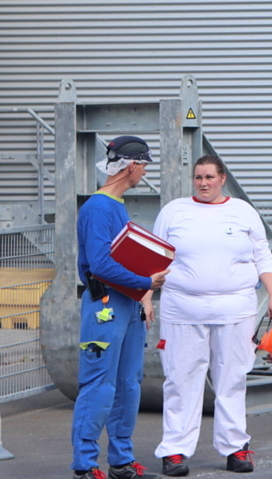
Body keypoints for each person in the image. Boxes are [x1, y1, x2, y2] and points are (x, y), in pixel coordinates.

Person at [151, 154, 272, 476]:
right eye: (198, 177)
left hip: (235, 310)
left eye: (209, 177)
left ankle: (235, 448)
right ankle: (174, 452)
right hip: (182, 310)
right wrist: (145, 299)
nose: (203, 183)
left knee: (233, 379)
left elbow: (262, 256)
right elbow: (155, 258)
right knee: (181, 380)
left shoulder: (243, 211)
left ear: (222, 179)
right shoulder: (174, 211)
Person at [72, 135, 170, 479]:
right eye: (144, 166)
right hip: (106, 307)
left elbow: (120, 257)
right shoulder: (98, 208)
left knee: (128, 385)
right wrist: (145, 282)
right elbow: (100, 264)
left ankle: (121, 462)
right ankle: (85, 466)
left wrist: (141, 293)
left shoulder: (114, 205)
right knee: (99, 385)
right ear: (132, 166)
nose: (144, 172)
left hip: (126, 304)